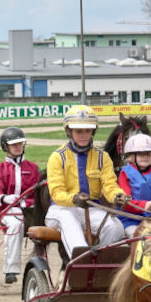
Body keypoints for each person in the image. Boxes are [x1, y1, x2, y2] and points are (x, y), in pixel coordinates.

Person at [44, 105, 127, 261]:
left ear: (93, 131)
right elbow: (56, 192)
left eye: (87, 131)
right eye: (78, 131)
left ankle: (100, 267)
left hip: (91, 210)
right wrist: (74, 199)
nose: (84, 135)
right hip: (61, 209)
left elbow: (110, 185)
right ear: (69, 131)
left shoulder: (102, 157)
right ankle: (81, 264)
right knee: (69, 219)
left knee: (115, 227)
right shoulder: (57, 157)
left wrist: (117, 196)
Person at [0, 127, 40, 284]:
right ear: (6, 146)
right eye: (14, 144)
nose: (18, 146)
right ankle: (11, 269)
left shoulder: (33, 168)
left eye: (20, 143)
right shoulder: (1, 169)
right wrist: (4, 198)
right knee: (16, 225)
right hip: (9, 210)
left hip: (30, 208)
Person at [118, 134, 151, 238]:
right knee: (138, 239)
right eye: (141, 154)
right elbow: (125, 201)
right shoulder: (125, 172)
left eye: (149, 154)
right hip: (130, 219)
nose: (145, 157)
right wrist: (144, 205)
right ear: (132, 157)